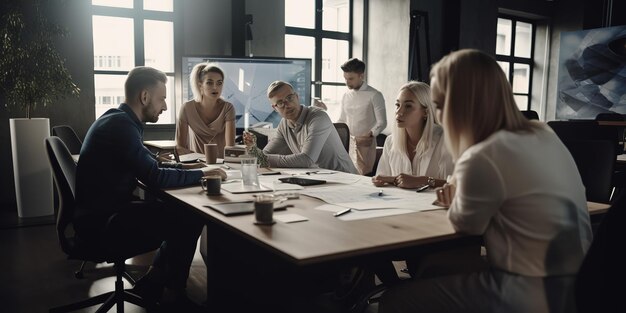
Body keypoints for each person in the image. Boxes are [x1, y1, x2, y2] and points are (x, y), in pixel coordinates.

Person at [379, 49, 593, 313]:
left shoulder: (483, 156)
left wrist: (456, 197)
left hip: (527, 292)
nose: (439, 115)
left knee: (395, 300)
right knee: (433, 270)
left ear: (457, 105)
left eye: (439, 105)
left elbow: (465, 225)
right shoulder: (543, 134)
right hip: (582, 282)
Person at [75, 66, 226, 309]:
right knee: (189, 216)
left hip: (98, 213)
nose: (165, 106)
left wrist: (193, 171)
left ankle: (155, 282)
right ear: (144, 97)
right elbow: (156, 176)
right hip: (105, 222)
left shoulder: (116, 119)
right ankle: (172, 294)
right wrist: (202, 174)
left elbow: (151, 165)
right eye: (162, 98)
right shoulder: (122, 127)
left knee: (178, 213)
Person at [243, 80, 358, 174]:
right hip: (318, 179)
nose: (287, 105)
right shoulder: (284, 124)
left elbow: (306, 159)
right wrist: (256, 154)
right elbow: (265, 155)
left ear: (297, 97)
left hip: (345, 179)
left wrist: (260, 157)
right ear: (275, 108)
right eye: (280, 103)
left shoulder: (318, 117)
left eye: (289, 98)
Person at [372, 81, 453, 189]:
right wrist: (384, 180)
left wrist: (424, 180)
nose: (399, 112)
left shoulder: (445, 140)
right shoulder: (390, 142)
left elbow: (458, 185)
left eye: (408, 106)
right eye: (397, 105)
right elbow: (382, 178)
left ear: (425, 112)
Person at [337, 58, 387, 175]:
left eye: (351, 79)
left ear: (361, 76)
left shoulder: (375, 95)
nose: (347, 82)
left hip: (365, 144)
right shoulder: (345, 96)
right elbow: (342, 120)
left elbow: (382, 122)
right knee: (346, 175)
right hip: (347, 144)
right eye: (345, 78)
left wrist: (370, 134)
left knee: (363, 176)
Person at [176, 63, 235, 158]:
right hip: (195, 164)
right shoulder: (186, 108)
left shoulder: (228, 108)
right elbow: (180, 147)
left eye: (219, 83)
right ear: (200, 85)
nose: (215, 87)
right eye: (209, 83)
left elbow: (230, 147)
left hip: (221, 164)